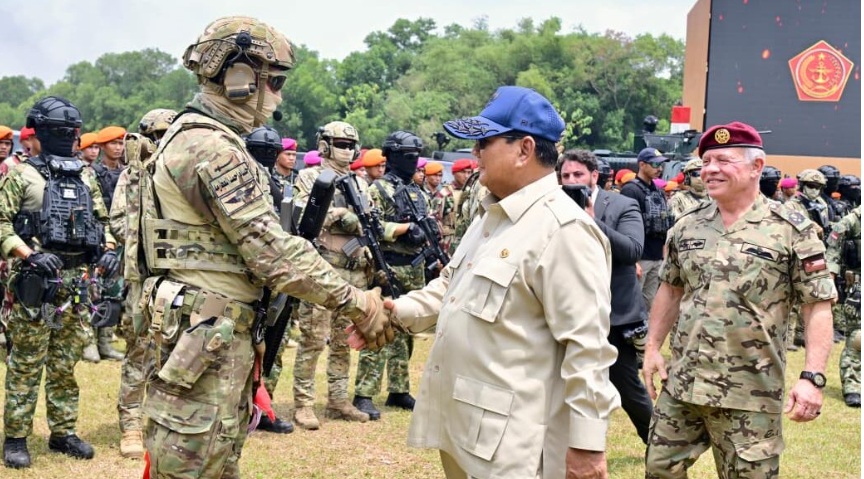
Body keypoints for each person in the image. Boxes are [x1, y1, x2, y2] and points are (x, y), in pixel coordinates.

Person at [136, 17, 392, 478]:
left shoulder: (202, 138)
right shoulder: (212, 148)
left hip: (208, 334)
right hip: (205, 337)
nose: (279, 93)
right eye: (273, 81)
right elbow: (271, 252)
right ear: (239, 79)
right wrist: (358, 303)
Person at [385, 86, 619, 479]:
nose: (473, 155)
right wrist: (397, 310)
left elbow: (587, 347)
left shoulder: (563, 230)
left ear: (524, 149)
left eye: (483, 143)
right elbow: (450, 285)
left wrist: (587, 446)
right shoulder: (492, 215)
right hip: (468, 430)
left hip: (516, 449)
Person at [642, 121, 836, 478]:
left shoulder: (792, 229)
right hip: (684, 382)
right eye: (707, 161)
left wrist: (813, 377)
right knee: (659, 469)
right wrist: (653, 346)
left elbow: (817, 305)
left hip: (751, 391)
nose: (711, 169)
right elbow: (671, 288)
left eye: (724, 160)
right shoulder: (687, 226)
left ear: (755, 167)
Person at [1, 96, 118, 468]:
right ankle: (16, 437)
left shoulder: (85, 175)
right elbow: (2, 223)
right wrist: (28, 254)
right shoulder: (21, 174)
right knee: (26, 362)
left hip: (74, 285)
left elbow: (102, 221)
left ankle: (63, 431)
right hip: (37, 282)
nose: (69, 135)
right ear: (42, 131)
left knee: (65, 362)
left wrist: (109, 249)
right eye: (62, 130)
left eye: (72, 130)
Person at [288, 120, 380, 430]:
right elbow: (304, 221)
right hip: (321, 268)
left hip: (352, 269)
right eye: (340, 144)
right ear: (325, 145)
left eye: (351, 145)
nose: (347, 150)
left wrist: (358, 237)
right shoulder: (310, 177)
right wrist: (341, 215)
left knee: (343, 340)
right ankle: (303, 403)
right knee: (313, 339)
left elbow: (366, 226)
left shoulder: (360, 183)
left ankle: (339, 399)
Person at [559, 149, 652, 445]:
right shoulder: (551, 206)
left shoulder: (623, 204)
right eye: (565, 176)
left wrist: (590, 221)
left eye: (578, 175)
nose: (572, 181)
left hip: (613, 314)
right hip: (566, 311)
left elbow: (631, 250)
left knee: (627, 387)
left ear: (594, 176)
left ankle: (658, 445)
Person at [109, 108, 177, 458]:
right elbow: (118, 223)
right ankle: (131, 424)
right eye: (158, 134)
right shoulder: (130, 177)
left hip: (179, 278)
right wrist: (155, 237)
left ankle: (162, 420)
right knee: (139, 352)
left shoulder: (181, 175)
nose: (164, 141)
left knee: (176, 352)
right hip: (144, 277)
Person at [352, 130, 428, 420]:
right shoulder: (377, 189)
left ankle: (399, 389)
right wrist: (401, 230)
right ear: (394, 157)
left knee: (406, 330)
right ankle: (364, 393)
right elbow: (368, 227)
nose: (413, 162)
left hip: (415, 267)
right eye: (409, 156)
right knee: (378, 327)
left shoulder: (416, 192)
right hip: (388, 266)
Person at [90, 125, 127, 362]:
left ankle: (105, 341)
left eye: (121, 143)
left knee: (114, 291)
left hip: (122, 239)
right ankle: (88, 342)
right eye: (113, 143)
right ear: (103, 146)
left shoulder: (128, 173)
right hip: (97, 239)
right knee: (92, 291)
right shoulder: (91, 173)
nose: (118, 147)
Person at [620, 147, 672, 310]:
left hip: (656, 255)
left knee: (649, 303)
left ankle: (646, 335)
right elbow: (625, 226)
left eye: (661, 165)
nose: (659, 169)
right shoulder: (630, 190)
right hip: (640, 257)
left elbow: (663, 224)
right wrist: (632, 260)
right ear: (642, 165)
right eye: (655, 165)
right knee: (632, 302)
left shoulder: (656, 190)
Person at [827, 206, 861, 407]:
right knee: (858, 337)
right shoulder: (851, 221)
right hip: (857, 285)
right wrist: (830, 279)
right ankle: (853, 386)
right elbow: (832, 250)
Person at [432, 158, 471, 253]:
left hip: (466, 241)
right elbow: (434, 220)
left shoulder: (471, 192)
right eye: (463, 172)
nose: (466, 176)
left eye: (469, 173)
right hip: (448, 243)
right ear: (454, 173)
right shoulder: (445, 193)